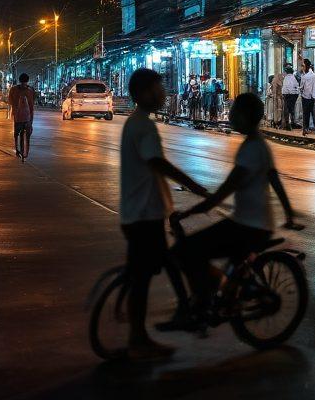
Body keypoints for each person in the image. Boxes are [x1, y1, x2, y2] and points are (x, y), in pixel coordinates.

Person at [171, 93, 299, 323]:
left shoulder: (251, 149)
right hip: (256, 223)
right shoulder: (260, 145)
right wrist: (288, 214)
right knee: (207, 252)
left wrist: (191, 211)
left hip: (248, 226)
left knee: (188, 250)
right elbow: (275, 181)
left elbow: (226, 189)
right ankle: (223, 294)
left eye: (234, 113)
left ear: (246, 117)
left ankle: (202, 303)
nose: (230, 117)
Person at [119, 68, 207, 361]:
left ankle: (181, 310)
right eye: (159, 89)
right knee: (146, 275)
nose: (164, 94)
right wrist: (193, 184)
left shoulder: (135, 123)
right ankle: (139, 339)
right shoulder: (144, 126)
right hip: (144, 214)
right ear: (144, 94)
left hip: (142, 210)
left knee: (162, 262)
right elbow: (158, 163)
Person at [7, 73, 36, 161]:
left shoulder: (14, 89)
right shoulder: (30, 90)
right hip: (26, 117)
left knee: (17, 134)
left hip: (19, 117)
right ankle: (24, 151)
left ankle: (17, 149)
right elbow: (32, 104)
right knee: (27, 135)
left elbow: (10, 101)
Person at [299, 60, 315, 136]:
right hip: (314, 97)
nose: (302, 67)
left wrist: (302, 91)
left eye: (303, 66)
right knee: (314, 113)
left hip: (305, 97)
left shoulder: (304, 77)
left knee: (306, 113)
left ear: (306, 66)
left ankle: (305, 128)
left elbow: (301, 87)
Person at [281, 65, 300, 130]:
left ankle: (288, 124)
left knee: (287, 110)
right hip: (291, 95)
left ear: (287, 72)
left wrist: (288, 94)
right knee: (291, 110)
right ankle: (291, 123)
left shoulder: (289, 78)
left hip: (289, 95)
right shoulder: (291, 77)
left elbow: (289, 87)